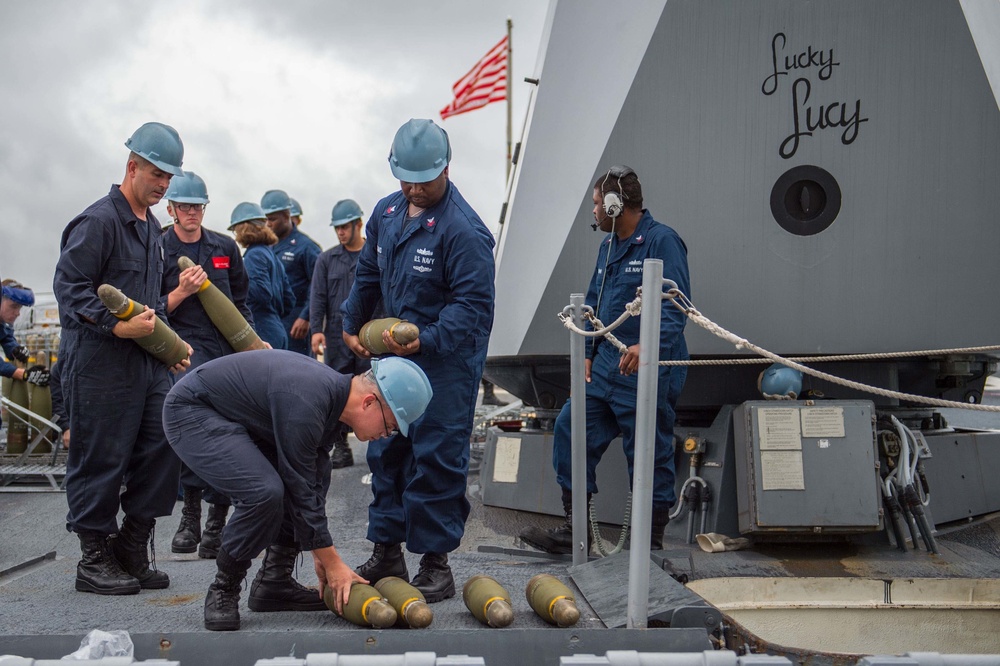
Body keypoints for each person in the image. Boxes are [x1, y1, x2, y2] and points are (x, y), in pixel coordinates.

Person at [163, 350, 433, 631]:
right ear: (369, 402)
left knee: (318, 471)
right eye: (389, 426)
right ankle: (223, 588)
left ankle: (274, 582)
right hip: (192, 411)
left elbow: (308, 481)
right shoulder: (307, 401)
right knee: (263, 493)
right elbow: (299, 485)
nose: (385, 435)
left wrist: (319, 550)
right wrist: (332, 562)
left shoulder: (331, 400)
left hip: (236, 415)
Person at [341, 118, 496, 602]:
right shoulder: (387, 212)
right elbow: (368, 273)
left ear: (445, 168)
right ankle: (387, 549)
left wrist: (425, 341)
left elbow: (472, 308)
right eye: (404, 178)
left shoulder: (464, 231)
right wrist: (350, 323)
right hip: (393, 358)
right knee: (387, 451)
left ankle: (435, 564)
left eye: (422, 180)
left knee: (436, 459)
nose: (412, 188)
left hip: (444, 362)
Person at [519, 165, 690, 554]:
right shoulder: (608, 246)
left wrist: (649, 346)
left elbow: (678, 306)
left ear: (615, 205)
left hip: (647, 371)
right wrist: (588, 354)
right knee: (570, 427)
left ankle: (650, 546)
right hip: (607, 371)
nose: (593, 212)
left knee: (648, 450)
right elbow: (595, 304)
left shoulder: (662, 242)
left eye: (597, 204)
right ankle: (574, 528)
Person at [53, 121, 191, 596]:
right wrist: (115, 325)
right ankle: (93, 558)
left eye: (169, 178)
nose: (163, 184)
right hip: (99, 362)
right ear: (132, 166)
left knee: (164, 442)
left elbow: (151, 300)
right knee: (101, 459)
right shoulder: (99, 222)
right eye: (157, 174)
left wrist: (168, 347)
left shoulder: (152, 229)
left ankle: (132, 544)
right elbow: (69, 289)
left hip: (146, 365)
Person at [161, 171, 254, 559]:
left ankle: (217, 519)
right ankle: (190, 515)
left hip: (225, 356)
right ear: (171, 209)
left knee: (227, 434)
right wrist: (182, 290)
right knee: (189, 436)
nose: (192, 213)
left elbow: (241, 300)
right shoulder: (157, 247)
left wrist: (251, 342)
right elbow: (151, 309)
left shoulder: (224, 246)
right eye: (184, 207)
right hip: (183, 354)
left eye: (198, 206)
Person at [310, 199, 374, 470]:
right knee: (339, 389)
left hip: (370, 331)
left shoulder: (375, 254)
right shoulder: (327, 259)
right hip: (337, 333)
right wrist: (316, 330)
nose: (340, 233)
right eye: (337, 228)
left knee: (373, 386)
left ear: (358, 224)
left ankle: (379, 445)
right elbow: (318, 296)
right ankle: (341, 447)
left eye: (345, 227)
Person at [261, 190, 321, 356]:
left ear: (287, 216)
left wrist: (306, 317)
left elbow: (318, 287)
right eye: (265, 219)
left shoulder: (307, 248)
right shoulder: (267, 246)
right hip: (273, 321)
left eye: (272, 219)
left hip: (296, 323)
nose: (268, 224)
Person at [229, 202, 295, 350]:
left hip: (261, 329)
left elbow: (260, 293)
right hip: (277, 328)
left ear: (243, 228)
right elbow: (289, 299)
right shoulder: (271, 255)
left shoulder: (254, 255)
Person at [1, 281, 50, 388]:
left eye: (19, 308)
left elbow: (6, 338)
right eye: (13, 306)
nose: (17, 313)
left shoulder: (3, 323)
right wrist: (23, 374)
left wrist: (15, 350)